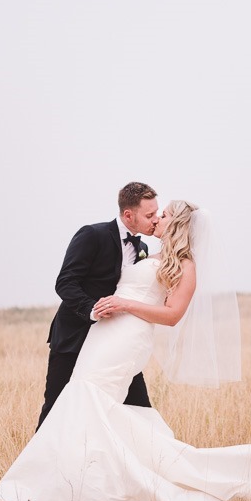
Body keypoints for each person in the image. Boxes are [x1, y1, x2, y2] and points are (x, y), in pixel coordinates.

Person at [0, 200, 251, 501]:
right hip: (104, 333)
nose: (156, 219)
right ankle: (69, 498)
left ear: (177, 225)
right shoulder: (150, 254)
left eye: (162, 215)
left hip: (128, 335)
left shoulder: (186, 265)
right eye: (154, 214)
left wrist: (125, 303)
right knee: (88, 407)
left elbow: (172, 315)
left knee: (87, 401)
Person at [37, 182, 159, 429]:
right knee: (56, 409)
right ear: (128, 215)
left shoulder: (143, 248)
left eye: (156, 213)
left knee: (139, 409)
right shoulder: (92, 235)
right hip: (75, 337)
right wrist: (92, 309)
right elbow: (65, 282)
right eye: (149, 215)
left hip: (117, 343)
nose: (155, 220)